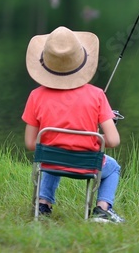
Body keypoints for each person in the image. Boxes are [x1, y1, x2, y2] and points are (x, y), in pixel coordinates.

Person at [21, 26, 125, 223]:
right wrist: (98, 132)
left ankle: (43, 204)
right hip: (87, 165)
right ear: (81, 60)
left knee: (52, 153)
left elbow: (30, 143)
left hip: (49, 163)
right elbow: (112, 140)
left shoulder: (35, 96)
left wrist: (59, 140)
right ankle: (102, 209)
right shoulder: (97, 95)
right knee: (114, 168)